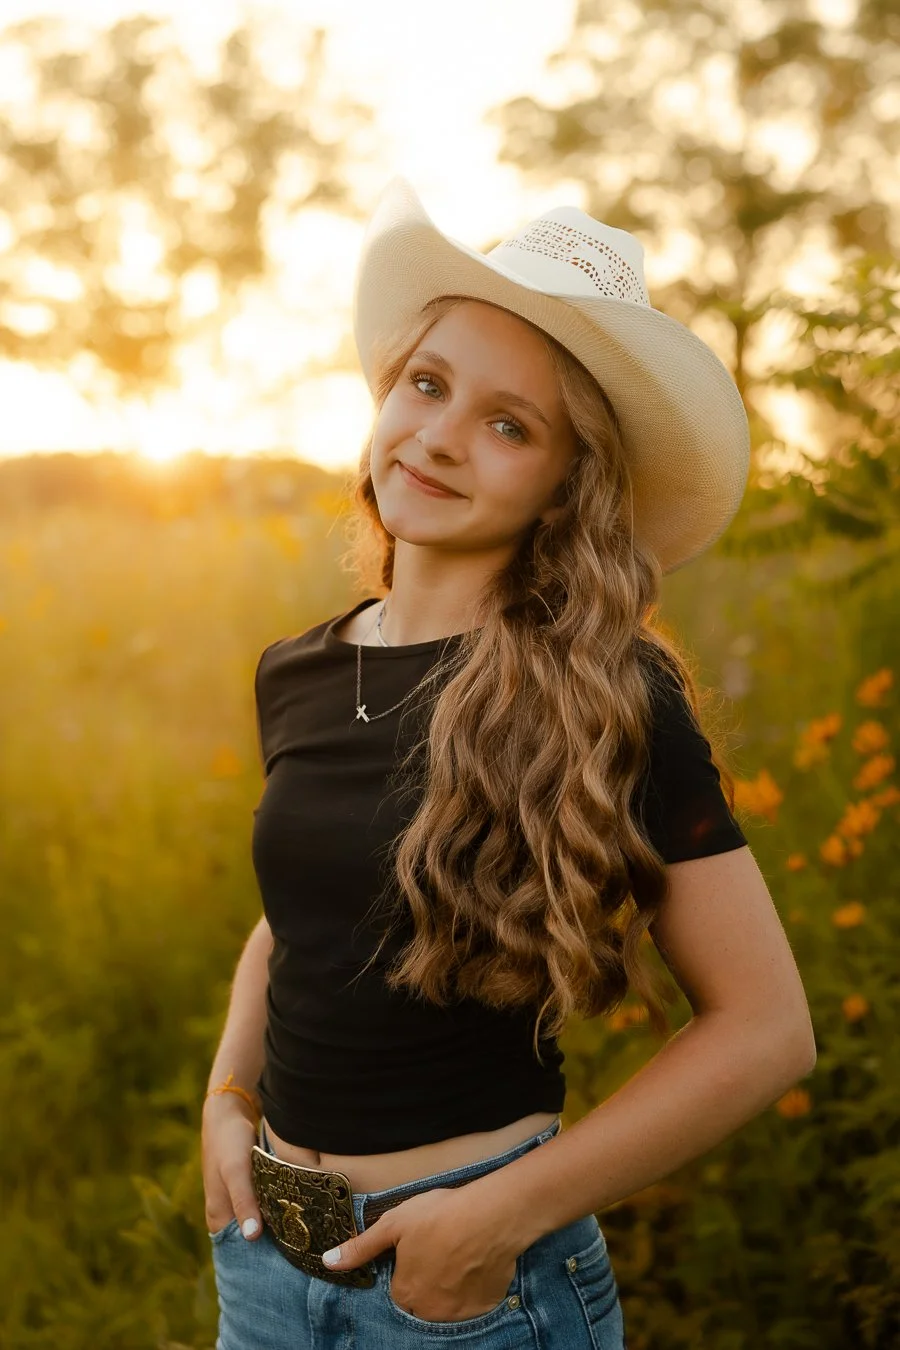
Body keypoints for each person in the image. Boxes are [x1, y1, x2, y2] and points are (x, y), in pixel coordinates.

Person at [201, 175, 816, 1349]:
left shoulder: (609, 695)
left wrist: (493, 1222)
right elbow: (296, 919)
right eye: (428, 385)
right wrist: (227, 1098)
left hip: (470, 1291)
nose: (439, 435)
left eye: (509, 424)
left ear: (564, 484)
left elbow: (766, 1029)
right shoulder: (301, 668)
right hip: (265, 1268)